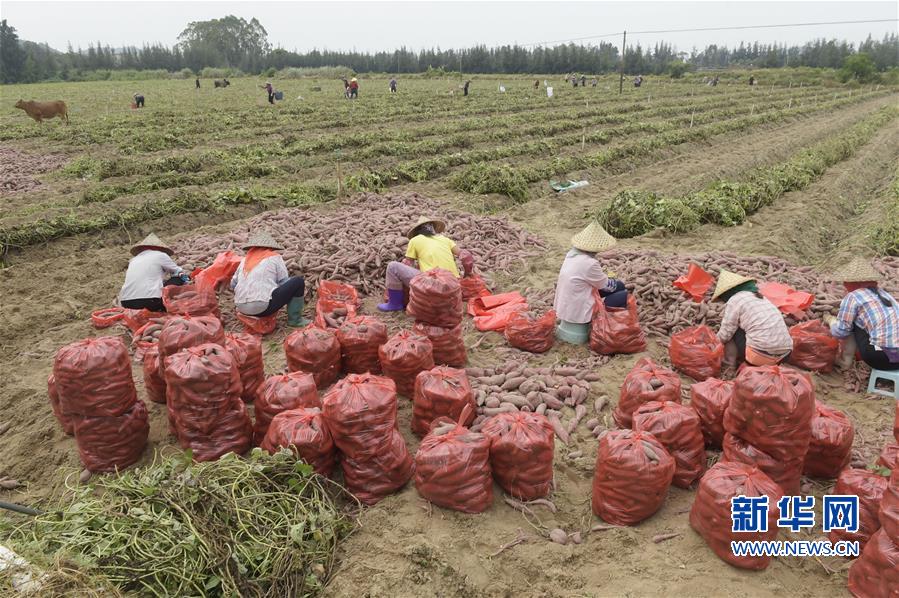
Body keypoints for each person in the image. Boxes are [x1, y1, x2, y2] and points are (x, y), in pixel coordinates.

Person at [378, 216, 474, 312]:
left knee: (393, 267)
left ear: (418, 231)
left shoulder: (415, 240)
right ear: (433, 229)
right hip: (454, 287)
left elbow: (408, 264)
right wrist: (467, 274)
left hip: (432, 285)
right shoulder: (445, 239)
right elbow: (466, 256)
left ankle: (395, 304)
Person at [553, 222, 628, 344]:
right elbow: (606, 286)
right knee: (622, 293)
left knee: (617, 286)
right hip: (577, 308)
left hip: (565, 305)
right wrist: (616, 282)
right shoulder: (590, 263)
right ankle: (607, 326)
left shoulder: (571, 255)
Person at [828, 258, 899, 371]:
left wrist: (831, 322)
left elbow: (841, 332)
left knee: (851, 322)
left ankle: (845, 361)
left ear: (851, 282)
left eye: (845, 282)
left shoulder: (853, 296)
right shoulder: (885, 295)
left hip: (880, 358)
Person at [712, 271, 792, 369]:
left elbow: (725, 334)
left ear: (728, 292)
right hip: (785, 356)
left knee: (730, 334)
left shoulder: (735, 299)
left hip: (759, 357)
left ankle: (730, 366)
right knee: (746, 328)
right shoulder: (762, 298)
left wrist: (712, 345)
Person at [230, 232, 309, 327]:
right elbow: (283, 281)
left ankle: (253, 306)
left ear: (252, 248)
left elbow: (233, 284)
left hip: (241, 308)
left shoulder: (244, 260)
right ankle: (295, 320)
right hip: (263, 308)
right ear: (270, 248)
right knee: (298, 282)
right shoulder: (275, 257)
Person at [119, 234, 189, 312]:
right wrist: (187, 280)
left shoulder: (133, 260)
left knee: (161, 283)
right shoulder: (160, 255)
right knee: (179, 277)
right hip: (149, 302)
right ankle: (167, 304)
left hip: (126, 303)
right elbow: (178, 271)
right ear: (160, 249)